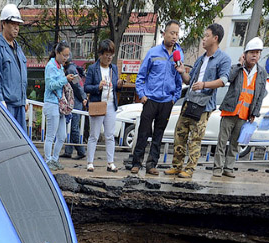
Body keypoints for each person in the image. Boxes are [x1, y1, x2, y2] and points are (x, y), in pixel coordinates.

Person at [166, 24, 230, 179]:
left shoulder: (223, 59)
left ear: (215, 38)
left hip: (204, 104)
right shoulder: (201, 59)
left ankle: (189, 169)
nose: (203, 39)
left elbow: (223, 80)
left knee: (195, 138)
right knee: (180, 134)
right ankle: (177, 165)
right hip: (190, 100)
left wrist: (204, 85)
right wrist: (182, 73)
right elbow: (189, 81)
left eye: (206, 36)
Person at [127, 20, 185, 175]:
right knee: (143, 133)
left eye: (177, 34)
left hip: (166, 102)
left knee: (158, 135)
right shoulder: (153, 53)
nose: (174, 37)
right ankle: (136, 163)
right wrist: (142, 94)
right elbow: (141, 76)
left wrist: (175, 97)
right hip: (150, 100)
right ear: (164, 34)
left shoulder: (178, 55)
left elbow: (179, 79)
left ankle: (151, 164)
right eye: (172, 33)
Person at [213, 37, 266, 178]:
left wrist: (255, 112)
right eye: (251, 52)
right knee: (222, 142)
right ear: (245, 54)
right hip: (229, 111)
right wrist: (239, 64)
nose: (254, 55)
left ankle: (228, 168)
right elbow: (228, 78)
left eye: (257, 53)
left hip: (244, 115)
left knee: (235, 144)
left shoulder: (261, 73)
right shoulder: (237, 69)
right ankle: (217, 168)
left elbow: (260, 95)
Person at [0, 4, 28, 131]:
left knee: (23, 143)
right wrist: (0, 101)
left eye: (18, 24)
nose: (16, 27)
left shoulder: (18, 48)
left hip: (20, 105)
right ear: (4, 23)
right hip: (7, 105)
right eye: (13, 23)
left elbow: (22, 76)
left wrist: (24, 98)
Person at [83, 39, 121, 173]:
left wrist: (119, 85)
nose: (109, 57)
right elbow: (86, 87)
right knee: (94, 135)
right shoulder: (93, 68)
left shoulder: (114, 68)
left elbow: (116, 86)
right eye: (107, 54)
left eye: (111, 54)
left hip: (111, 104)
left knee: (110, 135)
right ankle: (90, 162)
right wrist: (97, 87)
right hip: (98, 104)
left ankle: (110, 162)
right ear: (101, 54)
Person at [43, 42, 77, 171]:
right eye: (64, 55)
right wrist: (65, 80)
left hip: (61, 105)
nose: (66, 58)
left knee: (62, 136)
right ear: (57, 53)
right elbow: (50, 85)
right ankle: (48, 160)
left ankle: (55, 159)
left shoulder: (60, 67)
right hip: (51, 103)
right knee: (51, 135)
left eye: (68, 55)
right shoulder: (51, 66)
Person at [61, 59, 87, 160]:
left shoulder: (70, 70)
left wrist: (83, 97)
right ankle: (68, 151)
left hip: (75, 101)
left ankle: (81, 151)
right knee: (71, 127)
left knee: (73, 127)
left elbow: (76, 86)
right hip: (76, 101)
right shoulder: (73, 68)